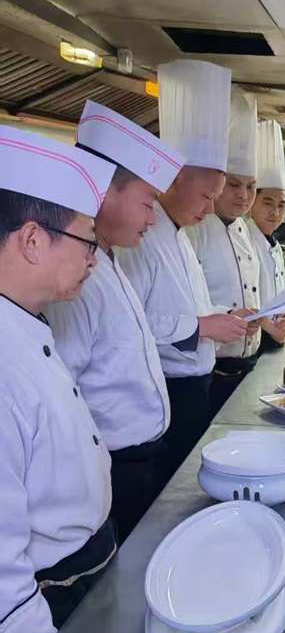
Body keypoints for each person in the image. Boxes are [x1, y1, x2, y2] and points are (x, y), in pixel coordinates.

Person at [0, 124, 116, 633]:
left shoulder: (27, 322)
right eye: (87, 241)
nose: (95, 258)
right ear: (31, 240)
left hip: (81, 575)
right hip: (41, 617)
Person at [46, 102, 185, 543]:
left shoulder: (108, 257)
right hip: (114, 466)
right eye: (148, 202)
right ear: (104, 191)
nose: (152, 218)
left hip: (142, 458)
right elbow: (65, 393)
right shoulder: (76, 280)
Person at [117, 60, 250, 478]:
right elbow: (131, 325)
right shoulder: (139, 238)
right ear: (174, 181)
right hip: (168, 390)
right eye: (207, 196)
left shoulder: (178, 232)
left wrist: (223, 317)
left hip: (194, 386)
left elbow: (184, 304)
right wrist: (204, 327)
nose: (210, 208)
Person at [185, 88, 264, 415]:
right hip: (212, 370)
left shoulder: (244, 228)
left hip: (248, 364)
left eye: (251, 186)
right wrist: (228, 316)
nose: (244, 195)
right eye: (234, 185)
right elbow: (186, 303)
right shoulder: (194, 229)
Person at [249, 118, 285, 353]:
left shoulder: (275, 245)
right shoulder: (244, 241)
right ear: (252, 202)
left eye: (281, 205)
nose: (275, 212)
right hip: (253, 338)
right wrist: (271, 329)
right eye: (267, 203)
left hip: (273, 335)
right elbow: (246, 299)